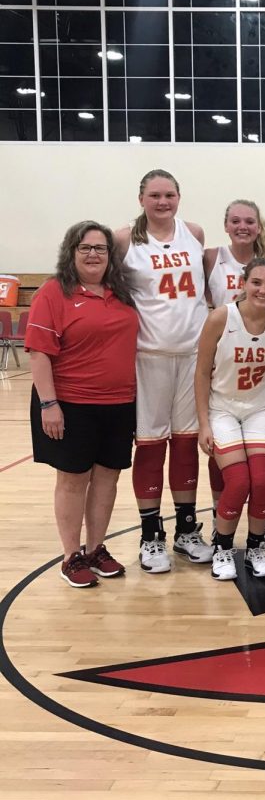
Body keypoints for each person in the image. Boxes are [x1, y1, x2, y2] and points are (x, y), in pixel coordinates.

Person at [26, 221, 139, 588]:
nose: (93, 254)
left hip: (120, 403)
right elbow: (40, 354)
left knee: (107, 478)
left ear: (111, 255)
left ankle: (96, 549)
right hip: (70, 404)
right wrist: (49, 405)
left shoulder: (121, 293)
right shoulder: (53, 293)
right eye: (85, 247)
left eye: (100, 248)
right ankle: (71, 555)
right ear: (71, 252)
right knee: (74, 480)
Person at [115, 169, 211, 574]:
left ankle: (186, 529)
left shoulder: (195, 233)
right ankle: (150, 533)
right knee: (152, 444)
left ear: (179, 196)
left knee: (187, 442)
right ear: (141, 199)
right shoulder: (123, 239)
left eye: (169, 194)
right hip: (149, 355)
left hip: (192, 355)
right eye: (154, 195)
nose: (162, 202)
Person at [195, 258, 265, 581]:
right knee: (239, 481)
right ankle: (223, 546)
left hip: (261, 408)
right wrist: (203, 423)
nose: (263, 290)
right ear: (243, 283)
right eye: (257, 282)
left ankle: (255, 547)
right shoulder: (220, 318)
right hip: (223, 407)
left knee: (264, 481)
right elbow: (201, 372)